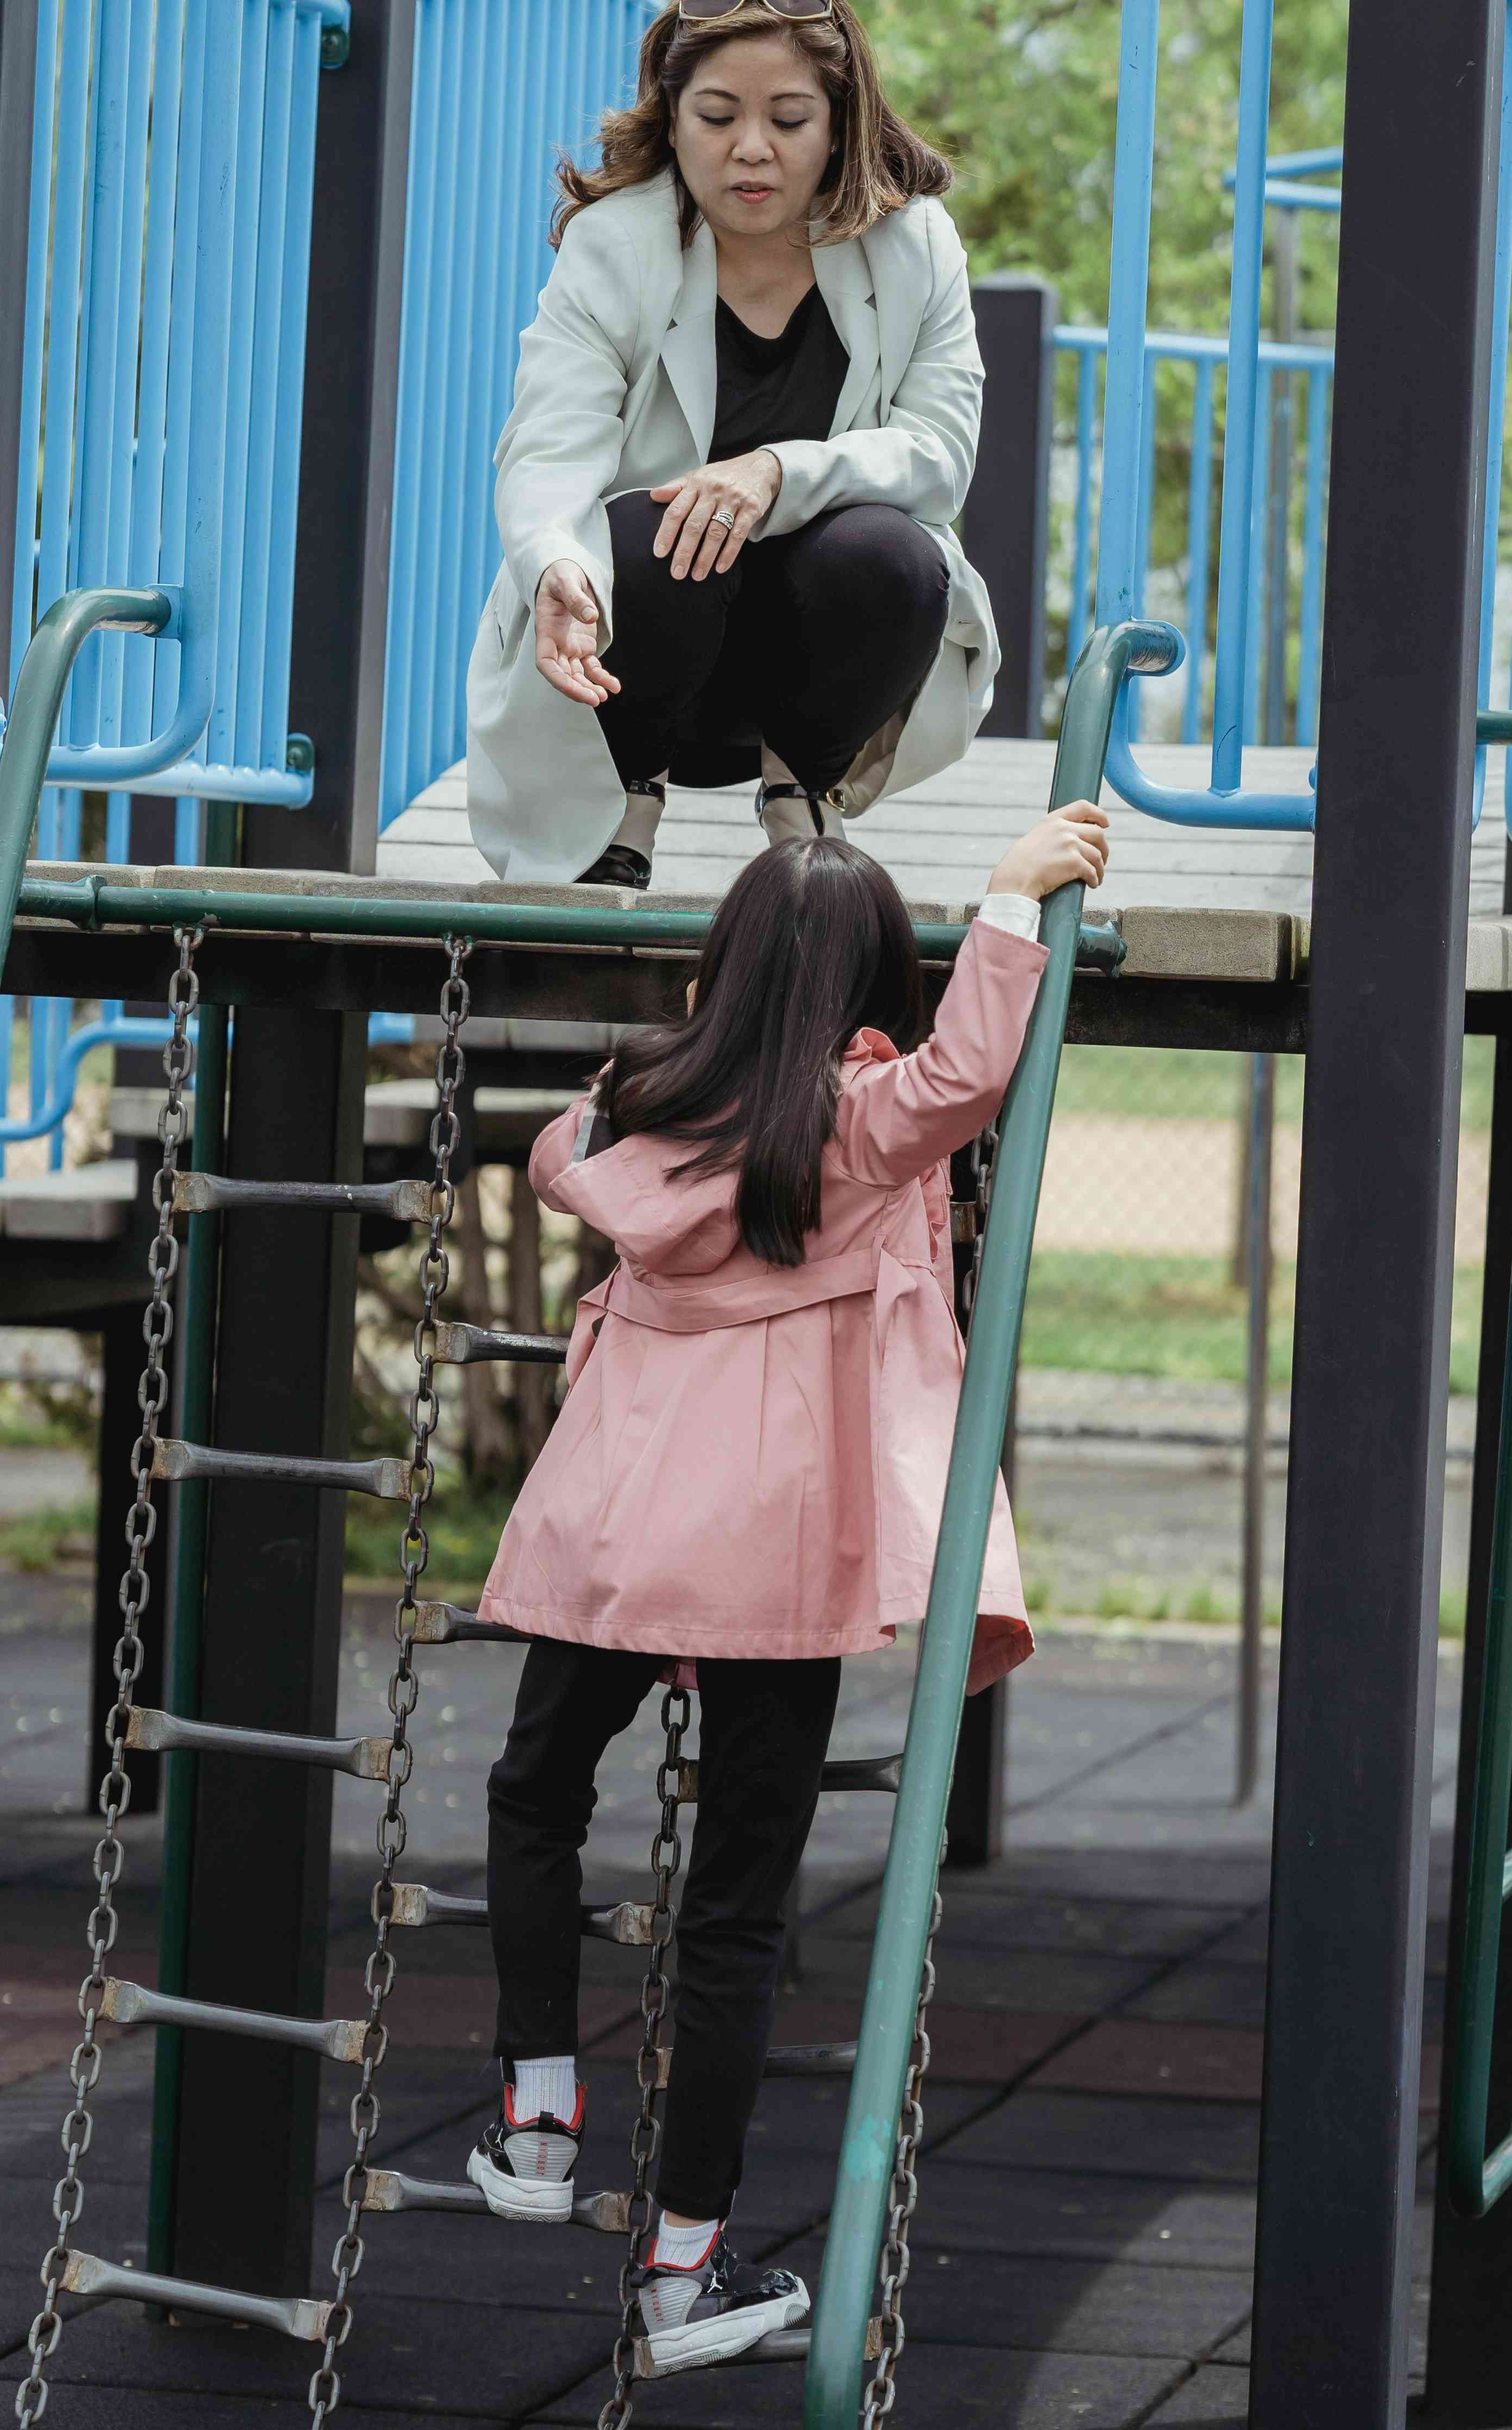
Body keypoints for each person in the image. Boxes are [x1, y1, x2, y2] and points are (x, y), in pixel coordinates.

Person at [462, 800, 1110, 2372]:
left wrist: (663, 1062)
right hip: (774, 1549)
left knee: (534, 1789)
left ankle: (540, 2113)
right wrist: (1010, 899)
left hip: (614, 1529)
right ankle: (685, 2263)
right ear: (872, 976)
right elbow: (963, 1074)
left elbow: (558, 1154)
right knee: (736, 1916)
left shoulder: (631, 1110)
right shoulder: (862, 1120)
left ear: (726, 972)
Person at [465, 0, 1000, 888]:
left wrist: (775, 473)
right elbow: (549, 444)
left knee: (897, 552)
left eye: (789, 120)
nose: (752, 148)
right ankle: (627, 811)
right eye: (717, 117)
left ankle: (804, 802)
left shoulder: (914, 244)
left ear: (840, 126)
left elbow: (941, 456)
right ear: (672, 120)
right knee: (653, 530)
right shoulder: (615, 244)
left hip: (812, 673)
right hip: (634, 670)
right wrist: (555, 561)